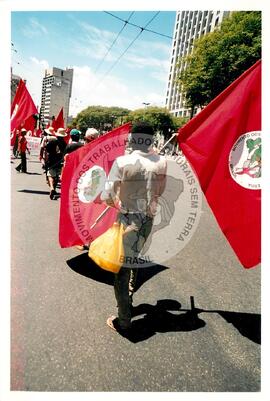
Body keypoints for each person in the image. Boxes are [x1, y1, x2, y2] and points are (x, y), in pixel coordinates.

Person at [100, 121, 167, 333]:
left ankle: (124, 319)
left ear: (132, 138)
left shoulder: (122, 161)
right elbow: (161, 191)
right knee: (134, 258)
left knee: (121, 269)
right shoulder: (162, 162)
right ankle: (129, 296)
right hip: (148, 219)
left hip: (128, 219)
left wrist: (119, 204)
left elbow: (107, 196)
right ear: (151, 138)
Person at [45, 127, 67, 200]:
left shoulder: (52, 141)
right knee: (57, 176)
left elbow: (47, 150)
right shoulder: (64, 144)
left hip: (51, 161)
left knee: (50, 175)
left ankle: (51, 187)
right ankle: (54, 188)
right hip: (59, 162)